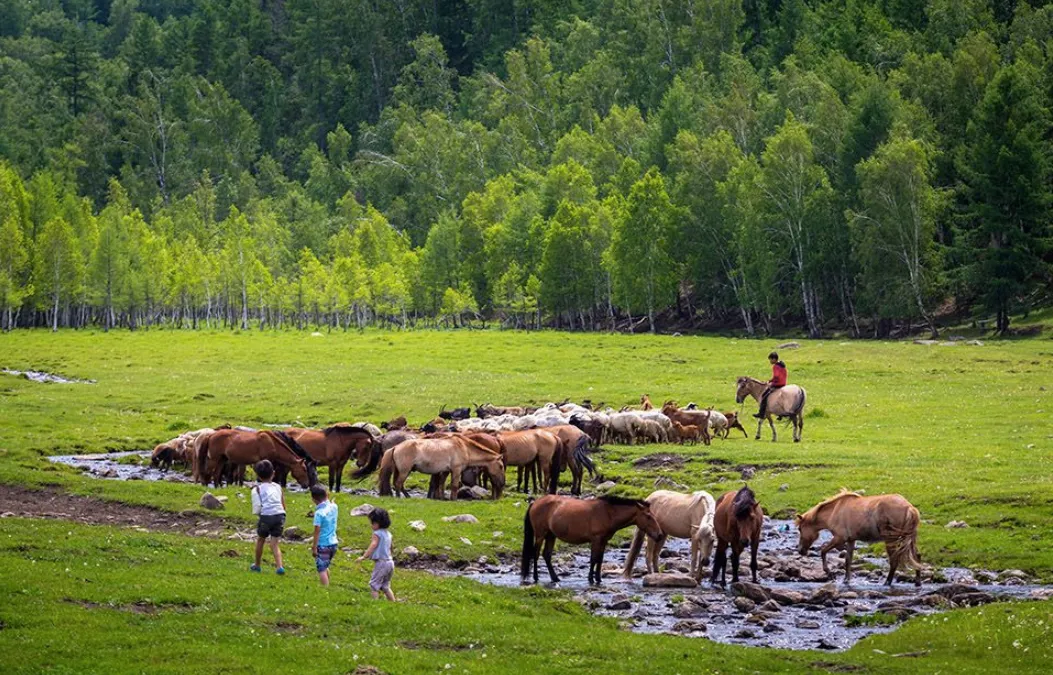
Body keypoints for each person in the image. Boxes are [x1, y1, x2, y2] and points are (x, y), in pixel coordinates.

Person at [250, 459, 286, 574]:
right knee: (275, 543)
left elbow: (257, 507)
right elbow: (283, 505)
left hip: (266, 516)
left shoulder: (257, 489)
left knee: (261, 540)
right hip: (280, 515)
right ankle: (279, 567)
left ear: (258, 476)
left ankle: (257, 565)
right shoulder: (278, 487)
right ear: (273, 473)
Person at [356, 508, 396, 601]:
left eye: (372, 523)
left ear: (377, 523)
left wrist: (364, 556)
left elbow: (373, 544)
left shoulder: (377, 533)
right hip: (390, 562)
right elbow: (391, 546)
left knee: (374, 585)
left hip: (381, 563)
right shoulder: (388, 534)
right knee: (386, 586)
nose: (371, 525)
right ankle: (393, 603)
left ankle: (375, 603)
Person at [311, 484, 339, 586]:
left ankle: (325, 588)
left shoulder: (319, 513)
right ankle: (327, 584)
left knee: (321, 569)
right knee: (325, 565)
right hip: (334, 543)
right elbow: (332, 504)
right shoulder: (334, 507)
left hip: (323, 545)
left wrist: (314, 547)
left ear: (313, 499)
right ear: (327, 495)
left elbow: (317, 531)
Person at [754, 351, 787, 419]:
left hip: (777, 384)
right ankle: (780, 415)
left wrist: (770, 382)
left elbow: (776, 376)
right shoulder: (782, 365)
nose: (770, 361)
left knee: (764, 396)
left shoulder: (775, 366)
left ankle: (761, 413)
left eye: (770, 359)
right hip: (783, 384)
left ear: (774, 359)